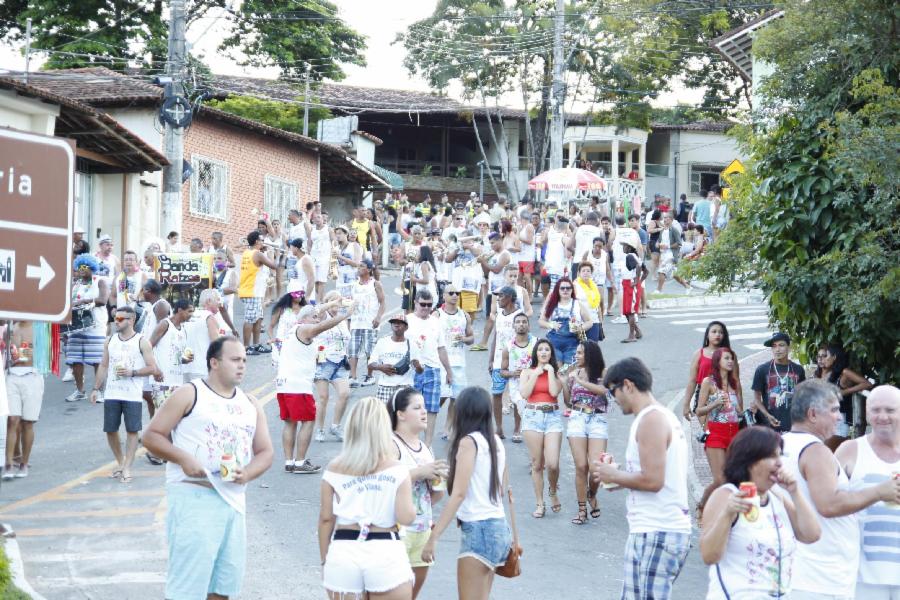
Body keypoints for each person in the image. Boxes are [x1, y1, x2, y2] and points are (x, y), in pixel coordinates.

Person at [143, 336, 274, 600]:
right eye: (235, 359)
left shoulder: (250, 403)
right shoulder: (190, 393)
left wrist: (247, 473)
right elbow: (152, 436)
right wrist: (183, 458)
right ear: (214, 362)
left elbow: (265, 452)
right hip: (194, 497)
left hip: (233, 502)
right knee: (188, 587)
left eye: (245, 361)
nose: (242, 366)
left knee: (224, 585)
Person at [783, 380, 900, 600]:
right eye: (834, 410)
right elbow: (829, 504)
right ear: (813, 414)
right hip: (820, 579)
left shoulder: (780, 445)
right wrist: (880, 492)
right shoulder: (816, 451)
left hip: (798, 571)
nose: (839, 416)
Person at [593, 357, 691, 600]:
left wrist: (615, 474)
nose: (613, 399)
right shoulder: (658, 417)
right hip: (653, 529)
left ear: (627, 385)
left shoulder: (651, 419)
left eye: (612, 391)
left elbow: (653, 481)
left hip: (658, 530)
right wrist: (616, 476)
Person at [699, 426, 821, 599]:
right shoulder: (726, 495)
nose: (779, 463)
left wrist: (795, 492)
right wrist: (727, 515)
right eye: (771, 456)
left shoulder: (776, 496)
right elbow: (709, 555)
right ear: (750, 461)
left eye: (780, 455)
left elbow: (811, 535)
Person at [318, 396, 416, 599]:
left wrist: (325, 559)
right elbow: (406, 517)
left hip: (344, 549)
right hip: (384, 549)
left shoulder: (335, 468)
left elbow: (326, 519)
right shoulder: (397, 469)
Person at [420, 387, 511, 600]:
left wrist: (434, 537)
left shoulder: (468, 442)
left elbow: (459, 494)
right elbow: (501, 486)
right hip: (498, 526)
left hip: (479, 529)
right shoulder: (495, 441)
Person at [836, 385, 900, 599]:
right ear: (867, 412)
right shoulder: (849, 451)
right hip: (862, 576)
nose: (882, 417)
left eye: (890, 410)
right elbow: (830, 503)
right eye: (875, 410)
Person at [277, 304, 352, 475]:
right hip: (298, 385)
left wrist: (330, 304)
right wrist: (344, 315)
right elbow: (321, 326)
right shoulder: (304, 328)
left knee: (290, 422)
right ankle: (300, 462)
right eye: (314, 318)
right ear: (305, 319)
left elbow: (316, 311)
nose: (317, 321)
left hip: (284, 383)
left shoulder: (293, 329)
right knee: (308, 420)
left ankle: (289, 461)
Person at [389, 387, 449, 599]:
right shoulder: (391, 444)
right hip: (395, 530)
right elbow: (384, 482)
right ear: (401, 414)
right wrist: (419, 472)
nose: (424, 412)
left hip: (422, 530)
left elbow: (436, 495)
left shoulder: (425, 447)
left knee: (412, 594)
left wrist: (438, 478)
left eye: (424, 407)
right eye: (417, 407)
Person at [91, 306, 161, 484]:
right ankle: (121, 462)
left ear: (131, 320)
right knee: (110, 429)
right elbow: (104, 365)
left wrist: (133, 372)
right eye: (116, 318)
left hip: (132, 394)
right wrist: (95, 388)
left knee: (132, 430)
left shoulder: (141, 342)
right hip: (112, 393)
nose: (117, 321)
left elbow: (152, 368)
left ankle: (128, 467)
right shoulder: (110, 340)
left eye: (121, 318)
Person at [518, 339, 567, 518]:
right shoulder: (527, 372)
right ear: (536, 354)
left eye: (547, 350)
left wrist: (551, 371)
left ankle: (552, 490)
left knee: (552, 464)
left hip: (552, 416)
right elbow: (524, 394)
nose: (544, 352)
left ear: (551, 354)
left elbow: (554, 393)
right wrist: (536, 374)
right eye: (540, 350)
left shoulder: (556, 373)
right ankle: (540, 503)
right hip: (532, 416)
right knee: (537, 464)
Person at [695, 347, 743, 512]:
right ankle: (703, 507)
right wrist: (715, 404)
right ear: (718, 362)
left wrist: (747, 411)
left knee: (732, 478)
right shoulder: (709, 382)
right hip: (716, 433)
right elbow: (699, 410)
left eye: (732, 358)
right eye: (726, 358)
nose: (730, 361)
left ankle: (724, 511)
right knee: (721, 479)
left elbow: (739, 411)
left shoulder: (735, 384)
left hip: (734, 433)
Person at [565, 340, 608, 524]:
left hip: (597, 419)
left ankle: (592, 493)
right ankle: (582, 508)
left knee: (596, 468)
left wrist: (581, 381)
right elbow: (568, 402)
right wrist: (565, 383)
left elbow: (603, 390)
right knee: (581, 466)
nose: (577, 356)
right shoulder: (574, 372)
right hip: (577, 418)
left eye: (581, 353)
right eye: (577, 352)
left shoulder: (602, 372)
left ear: (590, 354)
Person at [406, 290, 454, 448]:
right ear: (415, 303)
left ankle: (427, 445)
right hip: (411, 369)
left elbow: (441, 349)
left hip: (433, 368)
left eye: (429, 305)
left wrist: (449, 371)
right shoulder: (407, 320)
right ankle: (412, 444)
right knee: (411, 408)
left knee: (431, 409)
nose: (426, 308)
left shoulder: (436, 322)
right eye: (422, 304)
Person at [65, 255, 110, 402]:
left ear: (92, 268)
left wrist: (85, 301)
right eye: (80, 267)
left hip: (96, 327)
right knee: (76, 360)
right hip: (76, 327)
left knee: (98, 360)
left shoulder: (100, 281)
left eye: (86, 267)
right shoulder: (75, 284)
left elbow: (103, 300)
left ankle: (99, 392)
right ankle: (80, 391)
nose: (82, 270)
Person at [3, 322, 45, 479]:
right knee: (12, 420)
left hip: (32, 376)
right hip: (12, 376)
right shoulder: (9, 327)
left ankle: (24, 463)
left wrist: (21, 354)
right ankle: (8, 464)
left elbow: (40, 353)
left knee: (28, 422)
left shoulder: (39, 328)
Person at [814, 344, 872, 449]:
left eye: (825, 356)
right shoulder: (817, 375)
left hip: (838, 422)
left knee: (828, 454)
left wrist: (845, 392)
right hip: (821, 421)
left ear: (834, 357)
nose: (821, 359)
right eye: (819, 356)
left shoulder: (843, 374)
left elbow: (867, 384)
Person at [681, 321, 739, 424]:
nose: (717, 334)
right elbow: (692, 381)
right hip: (703, 395)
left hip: (724, 393)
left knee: (725, 427)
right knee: (708, 431)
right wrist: (686, 405)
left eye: (721, 332)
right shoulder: (699, 354)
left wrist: (740, 406)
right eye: (714, 331)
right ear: (707, 335)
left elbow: (736, 381)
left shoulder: (730, 355)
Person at [312, 292, 352, 443]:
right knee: (323, 398)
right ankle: (320, 429)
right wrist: (330, 303)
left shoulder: (342, 319)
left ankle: (335, 426)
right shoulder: (323, 317)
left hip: (340, 361)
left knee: (345, 393)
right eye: (332, 303)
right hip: (323, 361)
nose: (335, 307)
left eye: (337, 304)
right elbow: (318, 310)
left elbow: (347, 339)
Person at [436, 285, 473, 441]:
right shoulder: (437, 314)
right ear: (444, 296)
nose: (455, 295)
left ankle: (447, 428)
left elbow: (471, 338)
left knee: (456, 398)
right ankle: (426, 415)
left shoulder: (464, 315)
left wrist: (464, 339)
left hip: (459, 362)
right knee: (441, 395)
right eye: (451, 293)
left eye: (457, 293)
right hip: (441, 362)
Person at [752, 332, 806, 432]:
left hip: (793, 425)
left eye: (781, 345)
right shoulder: (762, 370)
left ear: (789, 348)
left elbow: (802, 397)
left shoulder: (798, 370)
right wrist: (767, 416)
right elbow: (757, 398)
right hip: (769, 426)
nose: (777, 349)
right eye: (774, 346)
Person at [238, 230, 277, 356]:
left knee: (258, 318)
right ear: (256, 241)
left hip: (255, 291)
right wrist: (271, 253)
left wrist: (264, 250)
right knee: (250, 319)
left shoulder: (247, 252)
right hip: (252, 291)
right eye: (261, 240)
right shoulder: (257, 254)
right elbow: (274, 265)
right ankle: (246, 346)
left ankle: (256, 344)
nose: (263, 242)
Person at [499, 313, 537, 444]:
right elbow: (502, 371)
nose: (521, 324)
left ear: (529, 325)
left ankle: (533, 430)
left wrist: (531, 372)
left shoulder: (536, 343)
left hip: (534, 382)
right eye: (518, 322)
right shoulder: (508, 347)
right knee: (518, 404)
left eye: (524, 322)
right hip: (516, 384)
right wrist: (513, 373)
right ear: (513, 326)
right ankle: (517, 428)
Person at [347, 260, 385, 388]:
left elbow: (383, 302)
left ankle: (369, 376)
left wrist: (378, 317)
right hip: (356, 322)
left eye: (362, 266)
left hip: (370, 323)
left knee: (370, 351)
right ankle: (353, 377)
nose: (359, 268)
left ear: (369, 270)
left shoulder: (375, 284)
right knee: (353, 350)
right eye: (358, 265)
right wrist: (348, 320)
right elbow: (350, 304)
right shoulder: (354, 285)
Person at [538, 277, 591, 366]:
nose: (565, 290)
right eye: (562, 288)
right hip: (554, 342)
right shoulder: (551, 304)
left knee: (569, 370)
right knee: (557, 369)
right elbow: (541, 322)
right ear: (558, 290)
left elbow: (589, 322)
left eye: (568, 288)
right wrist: (550, 325)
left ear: (572, 290)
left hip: (573, 343)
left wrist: (580, 328)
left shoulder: (578, 304)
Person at [149, 299, 194, 399]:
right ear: (180, 310)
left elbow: (176, 356)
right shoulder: (165, 324)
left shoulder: (183, 330)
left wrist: (185, 359)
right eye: (189, 311)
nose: (191, 314)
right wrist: (155, 369)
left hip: (177, 382)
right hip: (162, 381)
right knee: (162, 414)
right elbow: (148, 347)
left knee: (175, 414)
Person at [369, 313, 416, 405]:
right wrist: (380, 367)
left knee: (403, 418)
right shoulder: (382, 342)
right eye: (394, 322)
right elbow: (371, 364)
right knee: (384, 418)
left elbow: (420, 370)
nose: (396, 324)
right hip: (385, 386)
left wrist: (417, 365)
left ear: (406, 327)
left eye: (400, 322)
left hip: (405, 387)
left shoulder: (412, 344)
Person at [183, 289, 226, 381]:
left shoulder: (188, 315)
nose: (220, 303)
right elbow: (215, 344)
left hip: (185, 367)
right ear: (209, 301)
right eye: (217, 300)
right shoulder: (209, 317)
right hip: (203, 368)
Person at [573, 262, 603, 342]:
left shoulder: (594, 285)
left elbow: (598, 305)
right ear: (579, 273)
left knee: (593, 347)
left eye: (588, 271)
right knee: (581, 348)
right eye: (583, 271)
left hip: (594, 321)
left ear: (591, 273)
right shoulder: (575, 285)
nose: (586, 273)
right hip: (581, 322)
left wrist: (600, 322)